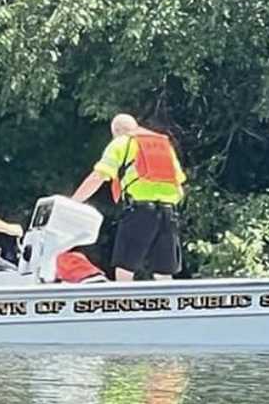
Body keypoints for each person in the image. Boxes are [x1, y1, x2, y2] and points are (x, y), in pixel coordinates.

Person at [71, 114, 186, 281]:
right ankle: (166, 305)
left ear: (116, 131)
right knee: (163, 271)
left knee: (125, 265)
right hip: (169, 213)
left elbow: (99, 176)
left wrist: (73, 202)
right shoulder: (164, 145)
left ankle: (124, 304)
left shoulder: (122, 142)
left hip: (140, 211)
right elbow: (179, 184)